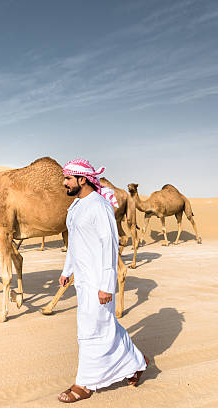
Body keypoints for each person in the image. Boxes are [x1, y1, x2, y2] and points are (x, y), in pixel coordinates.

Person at [57, 158, 149, 403]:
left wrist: (107, 286)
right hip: (84, 280)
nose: (64, 183)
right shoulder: (76, 207)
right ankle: (136, 362)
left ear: (82, 179)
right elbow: (74, 242)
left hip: (99, 281)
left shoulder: (99, 206)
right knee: (103, 326)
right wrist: (67, 270)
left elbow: (110, 246)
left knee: (91, 329)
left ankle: (85, 384)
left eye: (68, 178)